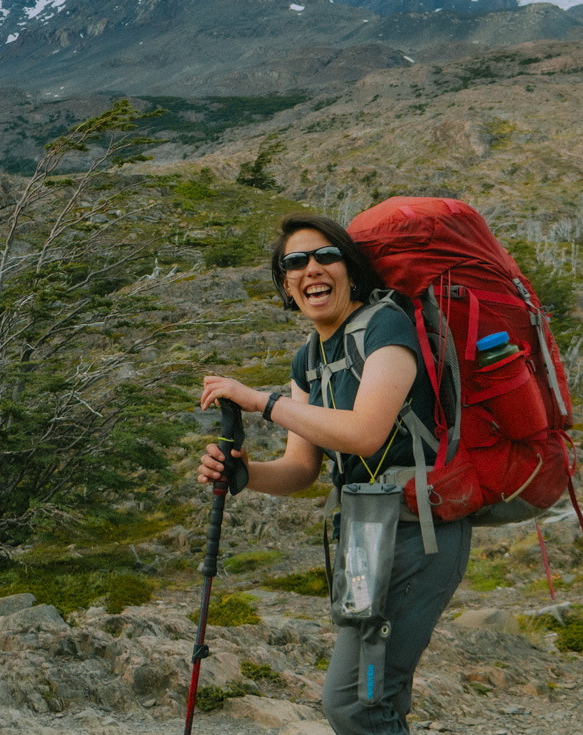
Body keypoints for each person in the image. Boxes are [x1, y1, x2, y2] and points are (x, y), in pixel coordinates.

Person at [197, 214, 472, 734]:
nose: (311, 269)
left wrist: (261, 401)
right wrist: (243, 475)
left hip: (420, 532)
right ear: (284, 283)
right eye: (294, 262)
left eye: (326, 255)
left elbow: (366, 431)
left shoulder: (386, 325)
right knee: (377, 698)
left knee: (353, 704)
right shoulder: (308, 359)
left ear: (351, 269)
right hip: (366, 535)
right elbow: (302, 469)